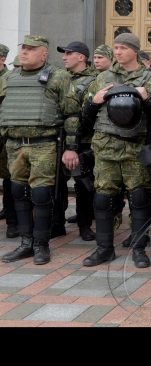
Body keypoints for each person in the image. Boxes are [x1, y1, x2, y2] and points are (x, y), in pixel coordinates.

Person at [81, 34, 151, 269]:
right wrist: (94, 101)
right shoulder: (102, 78)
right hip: (106, 146)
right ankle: (104, 248)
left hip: (136, 147)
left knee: (139, 198)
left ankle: (139, 248)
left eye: (123, 48)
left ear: (135, 51)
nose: (117, 52)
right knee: (103, 198)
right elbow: (85, 114)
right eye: (116, 48)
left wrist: (147, 99)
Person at [0, 36, 82, 266]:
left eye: (30, 49)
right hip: (15, 145)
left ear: (44, 54)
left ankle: (41, 244)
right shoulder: (10, 77)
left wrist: (71, 148)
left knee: (41, 195)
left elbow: (72, 114)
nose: (24, 52)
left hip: (44, 144)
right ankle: (26, 242)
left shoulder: (58, 76)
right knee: (18, 192)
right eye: (23, 48)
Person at [56, 42, 98, 242]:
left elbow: (86, 115)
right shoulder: (59, 79)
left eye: (68, 53)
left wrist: (75, 143)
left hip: (83, 140)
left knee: (84, 184)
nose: (64, 57)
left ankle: (84, 225)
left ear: (81, 57)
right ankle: (57, 223)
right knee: (56, 182)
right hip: (59, 139)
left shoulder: (93, 81)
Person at [0, 44, 17, 238]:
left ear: (3, 59)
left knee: (11, 179)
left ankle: (12, 221)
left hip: (5, 137)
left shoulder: (10, 79)